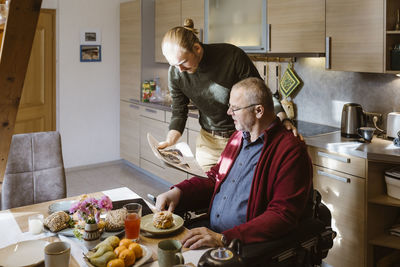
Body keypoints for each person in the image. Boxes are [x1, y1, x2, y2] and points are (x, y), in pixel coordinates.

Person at [156, 77, 313, 249]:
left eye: (235, 108)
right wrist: (179, 192)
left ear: (258, 111)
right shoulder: (238, 137)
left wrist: (223, 238)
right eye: (229, 106)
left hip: (241, 245)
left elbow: (282, 216)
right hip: (212, 231)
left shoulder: (291, 151)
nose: (229, 112)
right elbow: (216, 178)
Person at [158, 18, 302, 171]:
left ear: (197, 48)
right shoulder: (176, 73)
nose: (180, 70)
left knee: (239, 192)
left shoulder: (231, 56)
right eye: (174, 65)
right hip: (208, 144)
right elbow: (179, 111)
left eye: (183, 62)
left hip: (241, 139)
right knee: (208, 190)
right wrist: (170, 140)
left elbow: (260, 92)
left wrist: (283, 119)